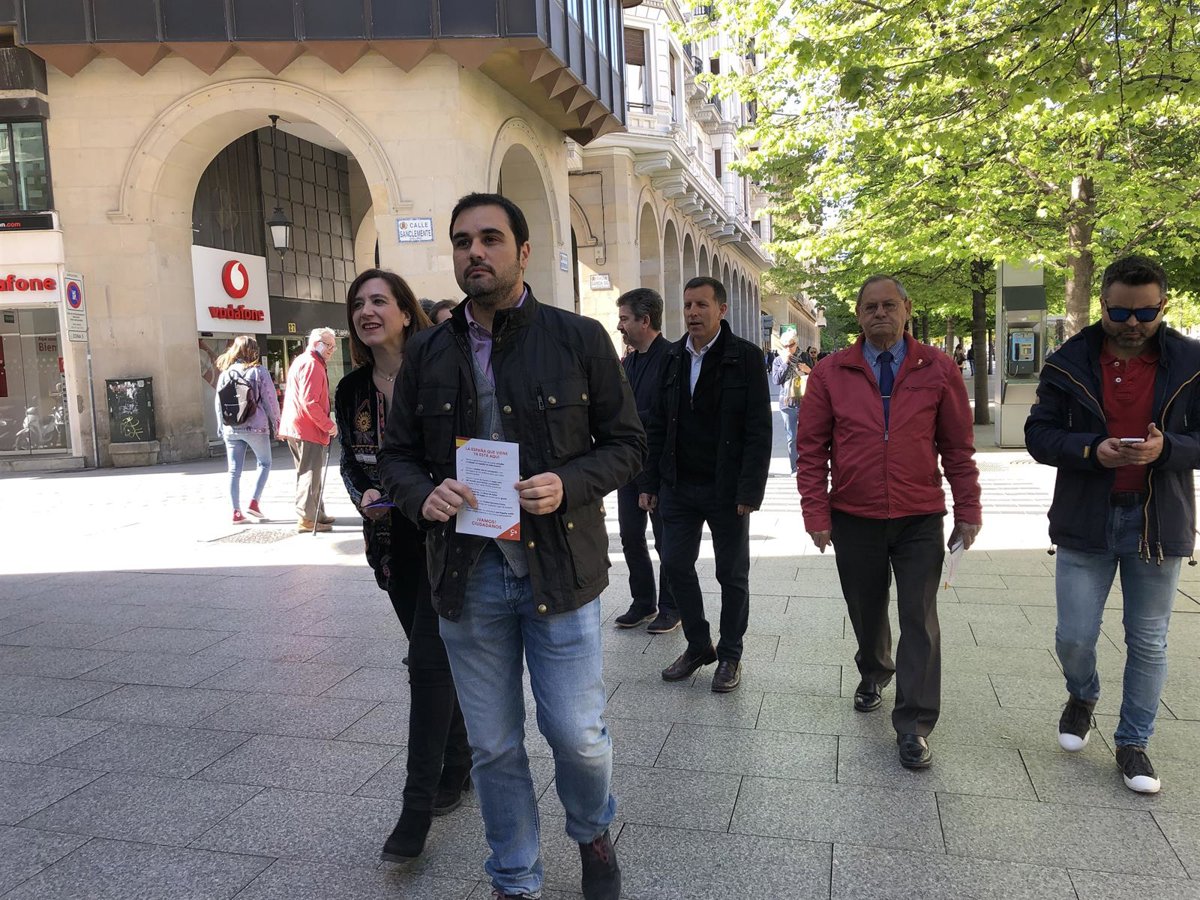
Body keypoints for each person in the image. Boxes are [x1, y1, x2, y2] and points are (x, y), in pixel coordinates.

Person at [377, 192, 644, 900]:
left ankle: (592, 832)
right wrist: (422, 493)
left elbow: (628, 445)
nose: (475, 252)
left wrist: (569, 482)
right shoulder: (428, 350)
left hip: (559, 567)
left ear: (523, 252)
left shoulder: (578, 338)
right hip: (468, 575)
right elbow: (396, 456)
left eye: (490, 238)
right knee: (494, 745)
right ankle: (515, 877)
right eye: (462, 241)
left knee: (578, 735)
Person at [1025, 254, 1200, 795]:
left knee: (1148, 641)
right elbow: (1038, 434)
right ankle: (1083, 694)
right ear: (1102, 304)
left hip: (1157, 522)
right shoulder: (1067, 362)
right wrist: (1088, 449)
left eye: (1145, 313)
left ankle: (1133, 743)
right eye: (1120, 312)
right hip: (1086, 518)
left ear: (1163, 305)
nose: (1132, 324)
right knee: (1074, 636)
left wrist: (1165, 449)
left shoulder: (1191, 362)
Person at [795, 274, 982, 769]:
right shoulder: (831, 372)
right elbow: (810, 450)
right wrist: (816, 512)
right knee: (866, 608)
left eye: (889, 305)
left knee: (919, 618)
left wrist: (968, 509)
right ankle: (875, 670)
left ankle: (914, 724)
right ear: (859, 315)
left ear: (907, 309)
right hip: (853, 515)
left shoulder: (938, 368)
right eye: (870, 307)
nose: (880, 313)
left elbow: (958, 448)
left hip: (919, 516)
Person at [335, 269, 473, 860]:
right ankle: (460, 760)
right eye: (358, 304)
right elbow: (351, 461)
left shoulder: (441, 370)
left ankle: (416, 809)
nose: (367, 311)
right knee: (435, 661)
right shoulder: (351, 390)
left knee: (426, 662)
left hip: (447, 539)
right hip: (392, 545)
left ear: (404, 310)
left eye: (378, 301)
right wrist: (362, 494)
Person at [641, 276, 772, 693]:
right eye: (687, 306)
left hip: (726, 489)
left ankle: (730, 654)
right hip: (678, 485)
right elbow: (657, 424)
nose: (693, 313)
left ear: (722, 309)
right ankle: (699, 644)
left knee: (731, 574)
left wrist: (749, 490)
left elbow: (758, 429)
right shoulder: (672, 357)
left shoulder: (745, 357)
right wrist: (650, 481)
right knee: (675, 563)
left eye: (701, 305)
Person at [612, 287, 679, 633]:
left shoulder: (672, 358)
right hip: (629, 466)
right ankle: (643, 602)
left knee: (665, 541)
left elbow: (662, 419)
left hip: (660, 467)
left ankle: (671, 606)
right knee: (630, 535)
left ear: (645, 320)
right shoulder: (628, 362)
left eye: (624, 318)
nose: (619, 325)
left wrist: (650, 481)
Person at [214, 335, 280, 524]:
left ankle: (236, 512)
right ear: (253, 351)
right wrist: (277, 424)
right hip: (256, 426)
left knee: (234, 471)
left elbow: (218, 403)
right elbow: (270, 400)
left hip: (232, 428)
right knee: (264, 463)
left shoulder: (225, 373)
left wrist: (221, 426)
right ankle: (254, 503)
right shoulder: (259, 372)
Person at [278, 327, 338, 533]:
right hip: (307, 428)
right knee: (310, 473)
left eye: (333, 346)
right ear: (316, 344)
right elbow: (310, 402)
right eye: (328, 345)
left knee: (309, 472)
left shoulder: (303, 361)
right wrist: (329, 425)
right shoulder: (312, 364)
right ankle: (307, 517)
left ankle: (316, 512)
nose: (332, 350)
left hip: (298, 426)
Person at [771, 331, 810, 476]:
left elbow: (817, 376)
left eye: (791, 345)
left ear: (796, 343)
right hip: (787, 403)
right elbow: (776, 380)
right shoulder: (778, 360)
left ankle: (807, 465)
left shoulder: (805, 357)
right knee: (792, 437)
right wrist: (785, 362)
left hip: (805, 401)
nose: (788, 348)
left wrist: (808, 370)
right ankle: (795, 467)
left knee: (806, 436)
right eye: (785, 346)